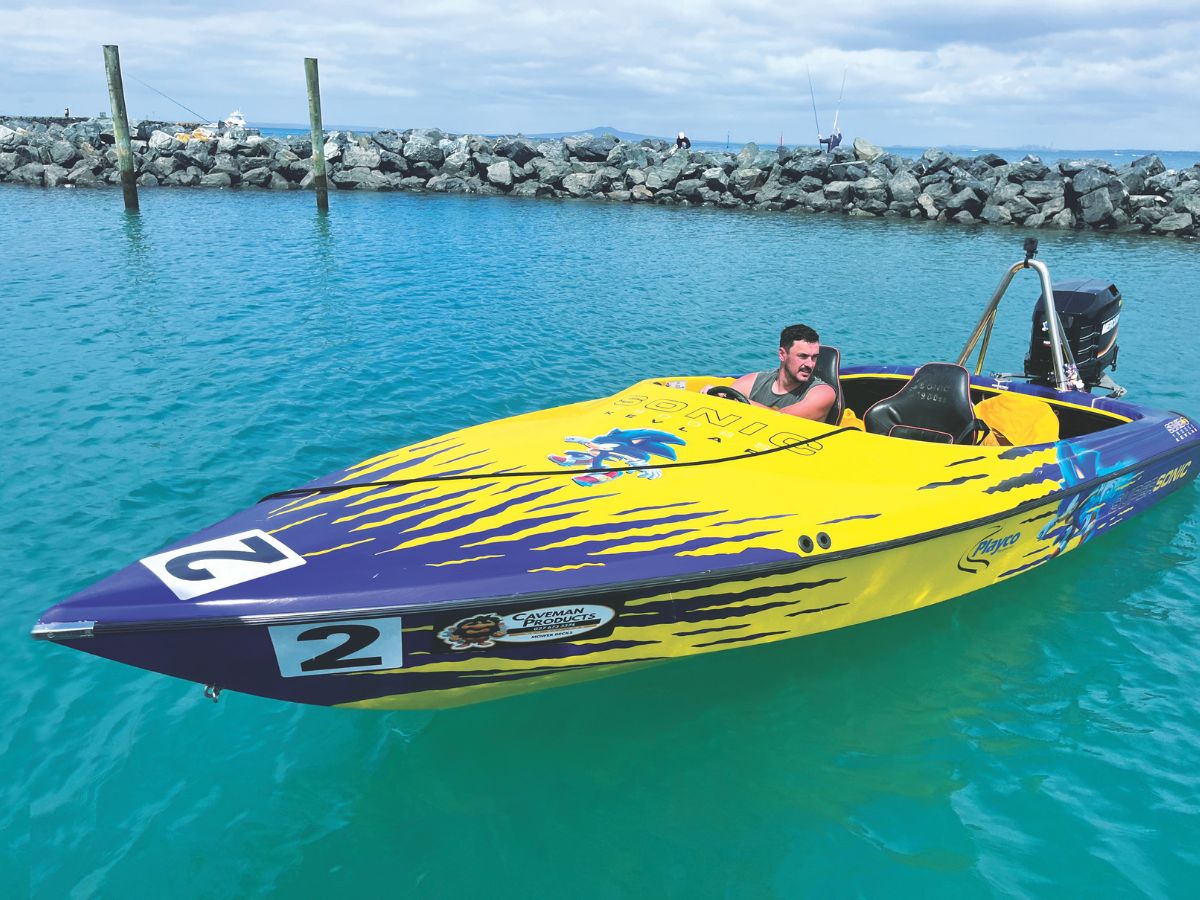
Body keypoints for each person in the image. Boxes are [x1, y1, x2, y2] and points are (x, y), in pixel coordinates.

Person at [721, 324, 835, 421]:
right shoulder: (753, 382)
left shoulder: (823, 394)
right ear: (782, 354)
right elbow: (724, 399)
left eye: (814, 357)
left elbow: (780, 419)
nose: (810, 364)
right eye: (803, 356)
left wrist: (739, 401)